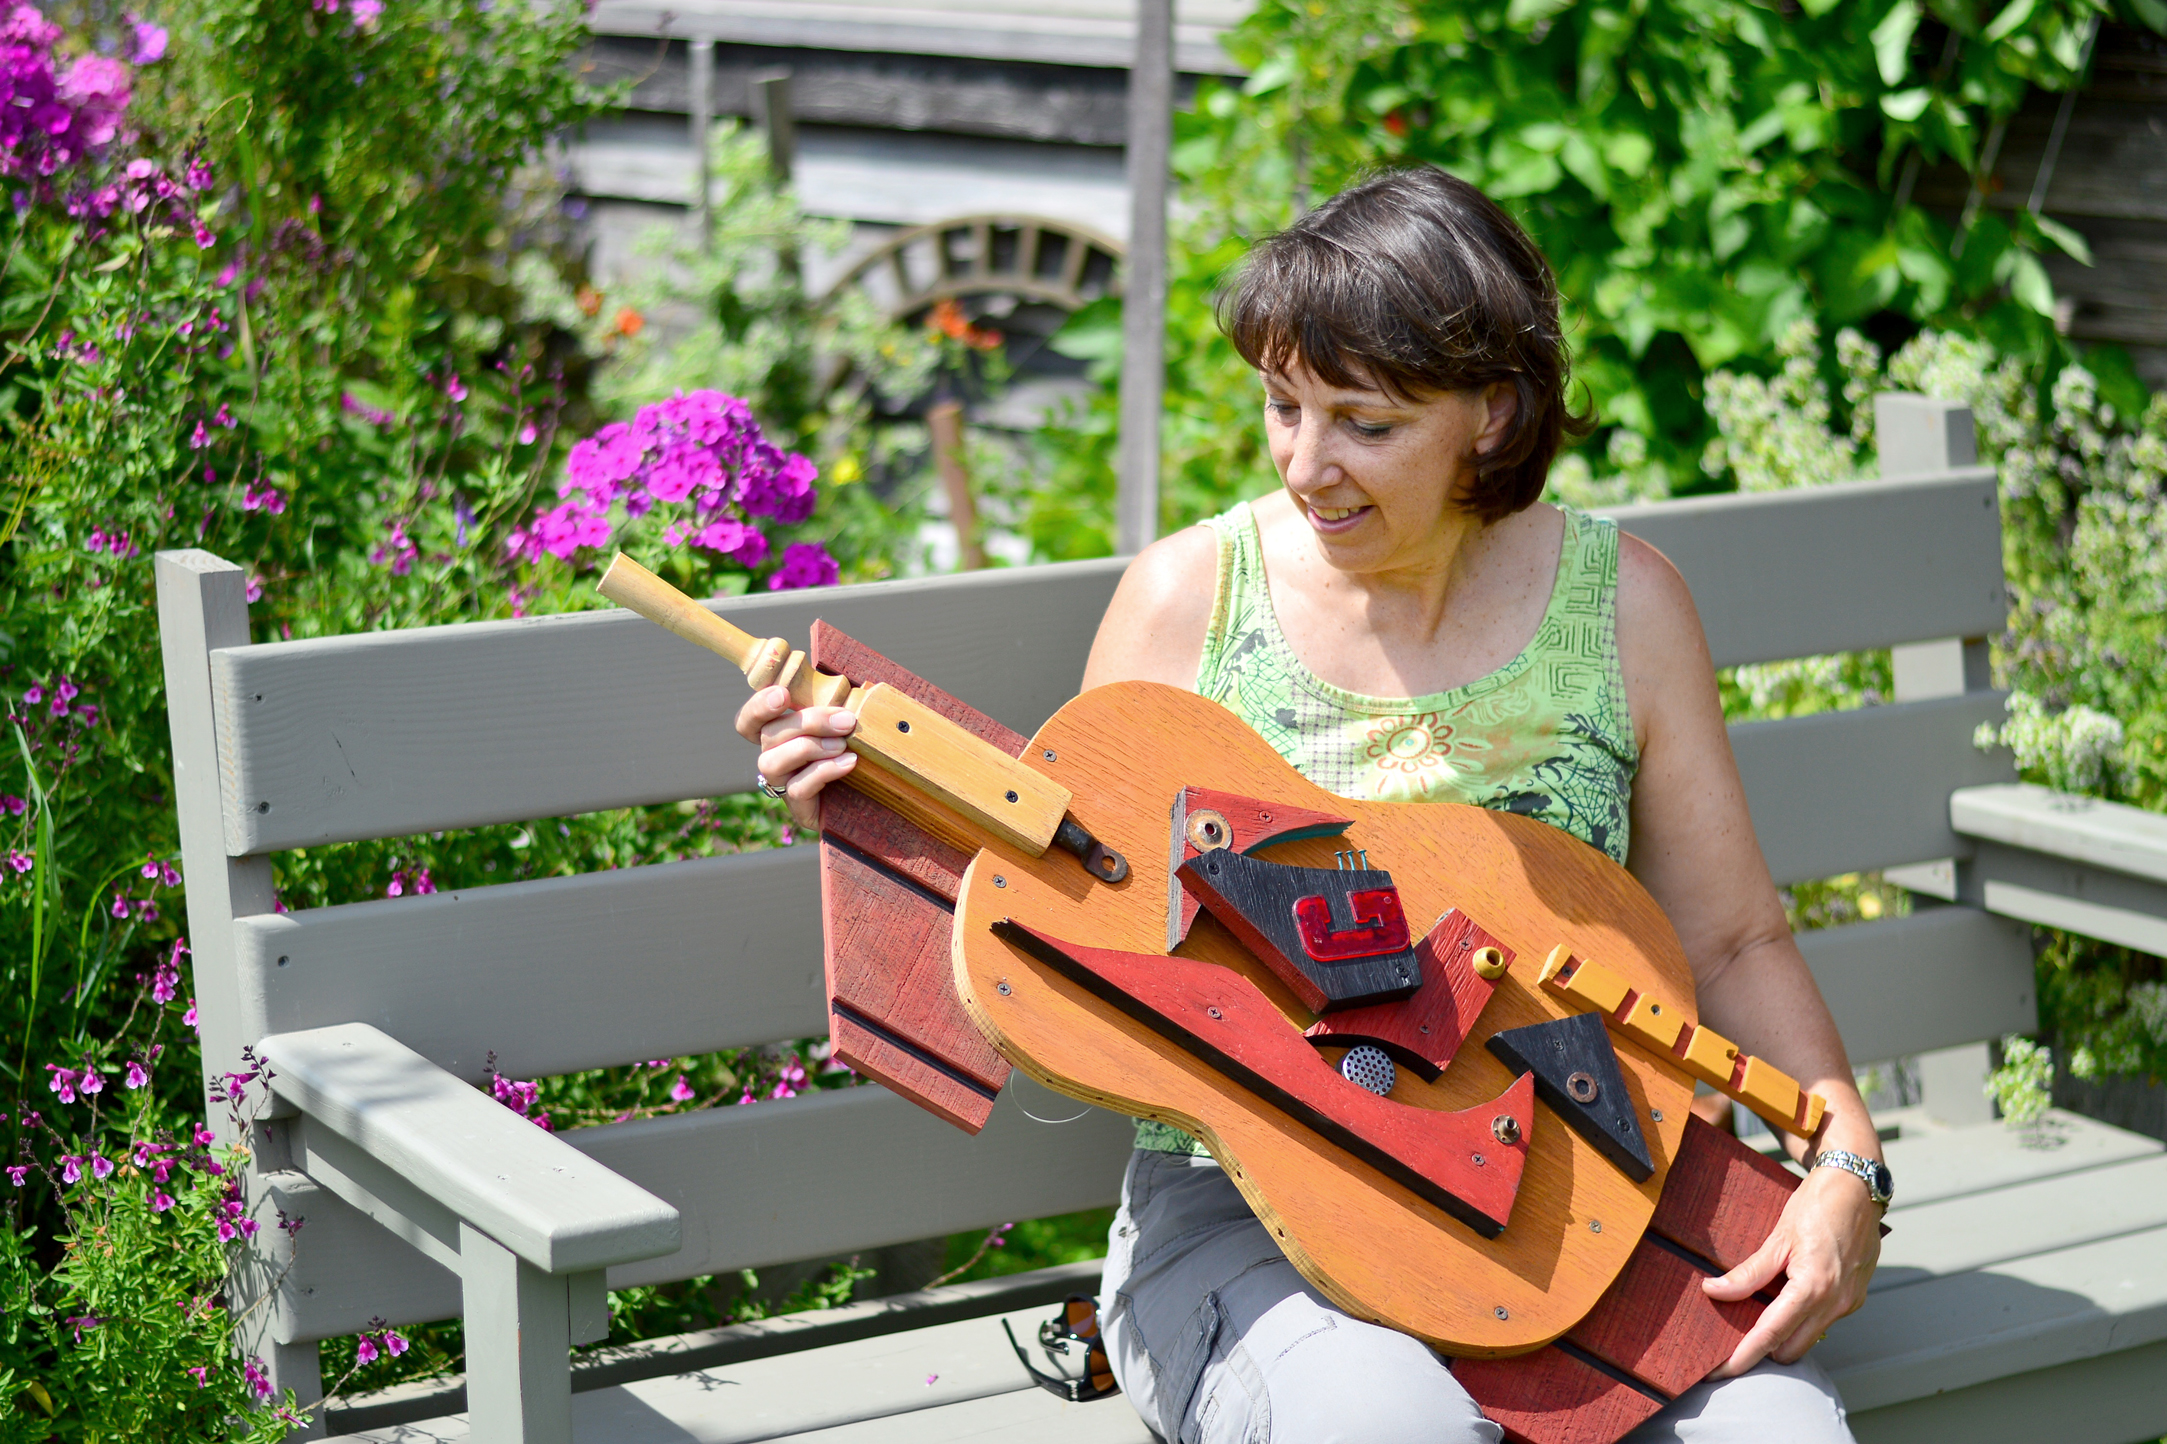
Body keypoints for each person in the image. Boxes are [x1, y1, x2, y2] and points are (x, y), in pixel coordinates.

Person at [738, 166, 1884, 1444]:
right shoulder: (1190, 603)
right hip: (1245, 1215)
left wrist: (1846, 1161)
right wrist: (874, 810)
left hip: (1571, 1205)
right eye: (1283, 406)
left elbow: (1732, 940)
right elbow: (1069, 923)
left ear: (1493, 413)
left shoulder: (1623, 606)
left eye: (1365, 424)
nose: (1305, 464)